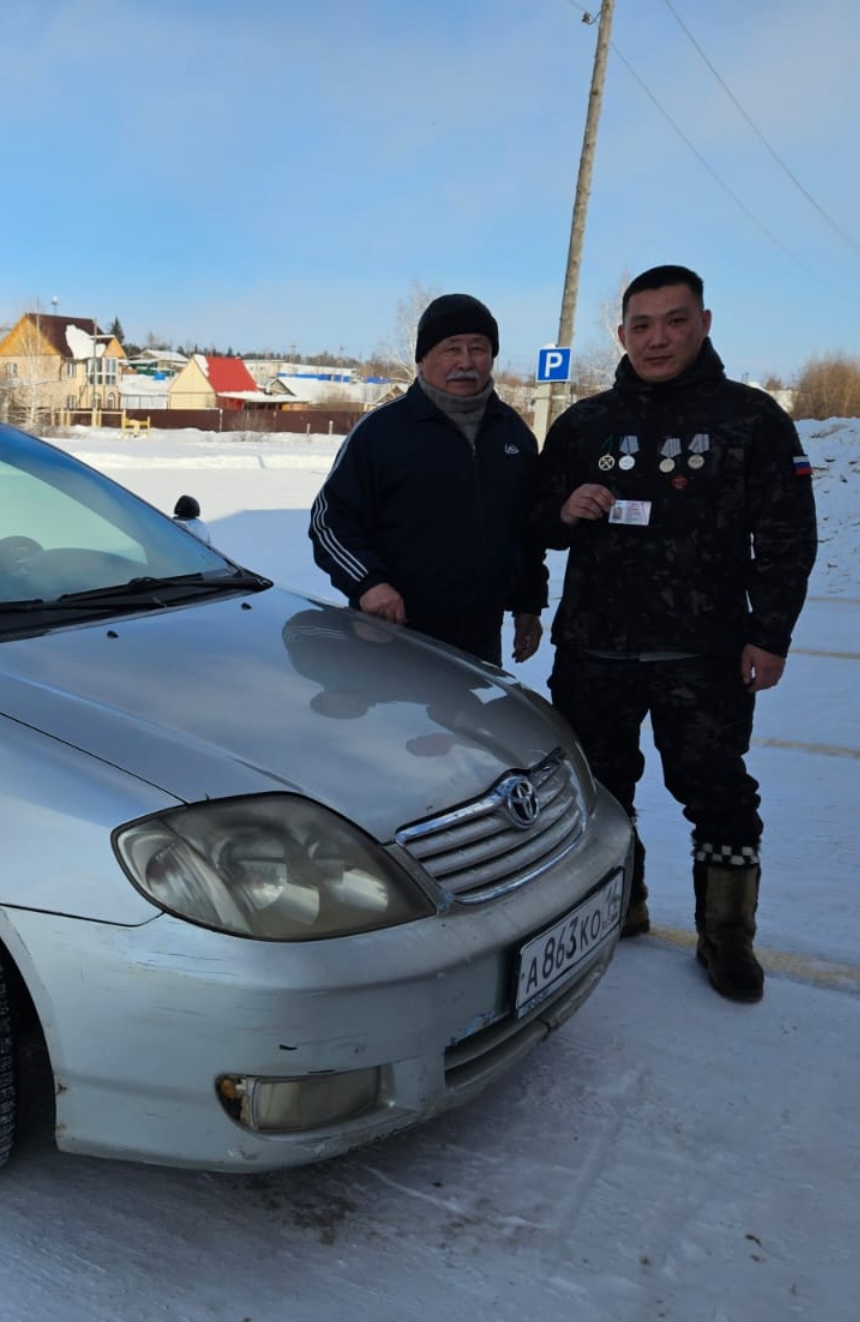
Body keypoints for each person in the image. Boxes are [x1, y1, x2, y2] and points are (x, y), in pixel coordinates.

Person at [533, 264, 817, 1003]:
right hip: (594, 649)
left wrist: (771, 634)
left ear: (704, 322)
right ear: (622, 332)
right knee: (600, 796)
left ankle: (727, 939)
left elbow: (786, 538)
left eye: (675, 320)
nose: (658, 338)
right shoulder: (583, 424)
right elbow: (532, 522)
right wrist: (565, 510)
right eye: (642, 324)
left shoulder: (752, 420)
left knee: (719, 793)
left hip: (706, 654)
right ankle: (616, 909)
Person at [308, 293, 546, 667]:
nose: (466, 362)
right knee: (398, 727)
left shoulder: (512, 432)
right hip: (393, 635)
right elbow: (330, 521)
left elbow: (527, 531)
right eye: (451, 349)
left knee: (476, 728)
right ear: (423, 358)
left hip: (480, 639)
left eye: (478, 349)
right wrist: (369, 583)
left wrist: (528, 605)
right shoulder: (383, 431)